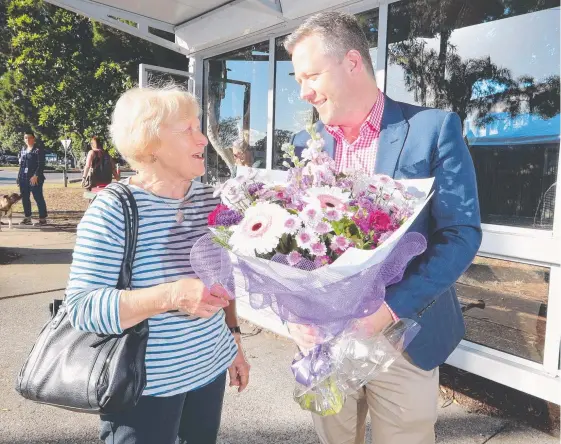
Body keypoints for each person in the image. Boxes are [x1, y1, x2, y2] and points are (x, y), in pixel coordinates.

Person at [285, 11, 482, 444]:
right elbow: (292, 239)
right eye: (299, 80)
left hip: (402, 337)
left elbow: (460, 234)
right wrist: (293, 308)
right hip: (323, 338)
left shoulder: (432, 130)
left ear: (352, 63)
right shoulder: (306, 144)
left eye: (311, 76)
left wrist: (388, 311)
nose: (303, 92)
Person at [65, 86, 250, 444]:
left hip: (208, 372)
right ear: (149, 144)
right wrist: (170, 295)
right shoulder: (113, 210)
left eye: (199, 128)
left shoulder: (212, 202)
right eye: (187, 130)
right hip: (143, 389)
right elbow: (82, 309)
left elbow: (221, 279)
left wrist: (235, 343)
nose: (203, 140)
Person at [17, 131, 48, 226]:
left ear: (34, 139)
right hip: (23, 178)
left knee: (38, 197)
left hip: (35, 178)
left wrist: (36, 175)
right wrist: (19, 177)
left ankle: (42, 219)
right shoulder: (23, 150)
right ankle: (27, 218)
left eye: (30, 138)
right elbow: (21, 165)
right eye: (26, 138)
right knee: (25, 198)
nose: (28, 140)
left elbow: (41, 164)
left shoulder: (38, 150)